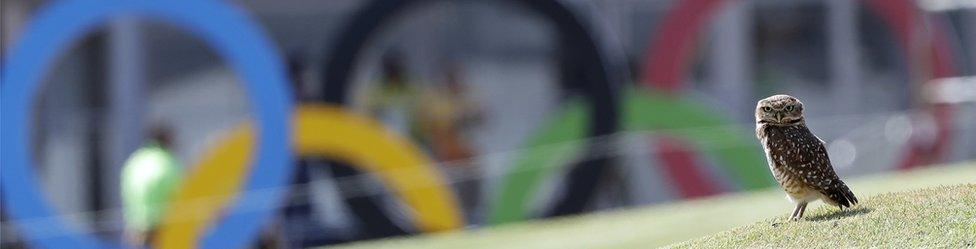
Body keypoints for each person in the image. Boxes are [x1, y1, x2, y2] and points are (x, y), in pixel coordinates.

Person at [120, 125, 182, 246]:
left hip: (135, 227)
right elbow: (179, 193)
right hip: (161, 226)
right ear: (167, 140)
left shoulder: (135, 161)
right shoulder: (167, 161)